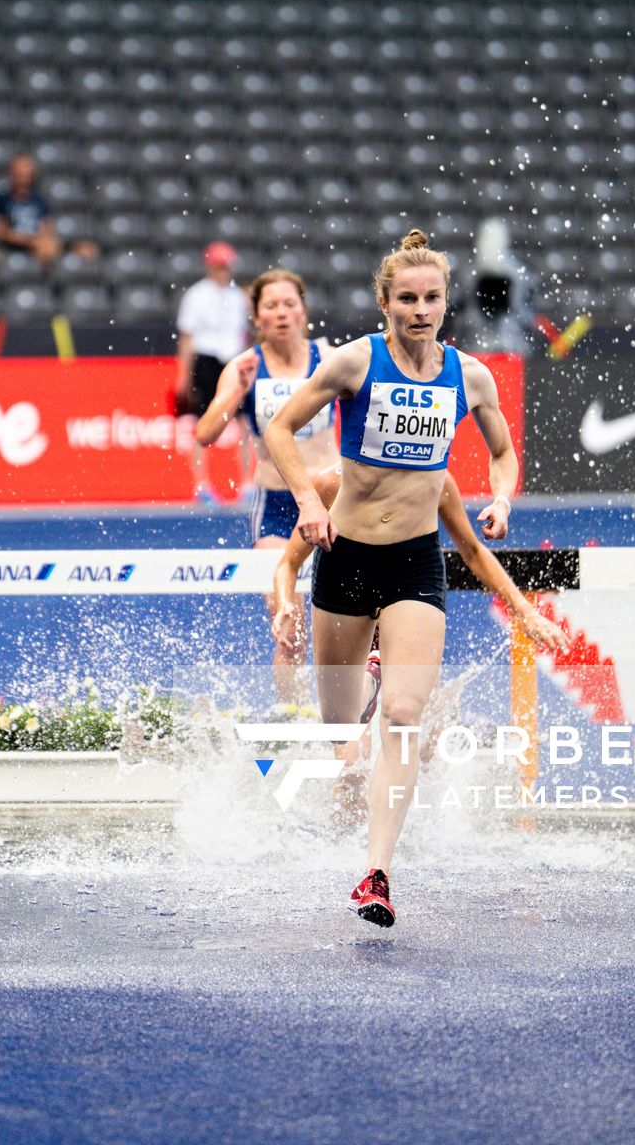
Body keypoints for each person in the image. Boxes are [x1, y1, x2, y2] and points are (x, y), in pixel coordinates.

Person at [265, 230, 520, 928]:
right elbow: (281, 431)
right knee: (341, 735)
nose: (420, 309)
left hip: (414, 563)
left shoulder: (469, 377)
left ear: (445, 302)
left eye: (432, 297)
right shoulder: (354, 363)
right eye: (406, 298)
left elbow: (503, 451)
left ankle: (376, 874)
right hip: (345, 560)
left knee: (404, 716)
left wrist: (500, 498)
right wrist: (310, 502)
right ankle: (350, 777)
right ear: (384, 302)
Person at [269, 474, 568, 705]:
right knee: (349, 757)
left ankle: (431, 721)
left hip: (406, 595)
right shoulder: (333, 481)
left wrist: (526, 611)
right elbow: (288, 564)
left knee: (415, 726)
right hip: (348, 597)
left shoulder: (435, 478)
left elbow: (474, 552)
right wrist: (285, 604)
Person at [193, 269, 339, 699]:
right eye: (270, 306)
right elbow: (205, 433)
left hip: (330, 502)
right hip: (275, 507)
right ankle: (291, 722)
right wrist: (236, 392)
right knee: (288, 624)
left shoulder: (329, 357)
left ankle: (348, 721)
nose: (281, 313)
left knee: (348, 625)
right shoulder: (244, 366)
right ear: (256, 316)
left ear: (303, 311)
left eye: (289, 304)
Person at [175, 242, 249, 504]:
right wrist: (183, 373)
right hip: (205, 361)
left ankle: (247, 483)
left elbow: (242, 335)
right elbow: (187, 337)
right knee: (202, 422)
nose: (223, 271)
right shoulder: (196, 296)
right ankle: (201, 484)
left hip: (232, 360)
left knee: (244, 423)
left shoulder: (237, 297)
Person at [0, 154, 63, 268]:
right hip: (9, 247)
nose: (22, 173)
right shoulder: (1, 199)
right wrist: (28, 241)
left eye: (26, 168)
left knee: (51, 247)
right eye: (19, 169)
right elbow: (0, 232)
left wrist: (40, 241)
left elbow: (47, 228)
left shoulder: (40, 200)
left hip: (36, 246)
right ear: (11, 172)